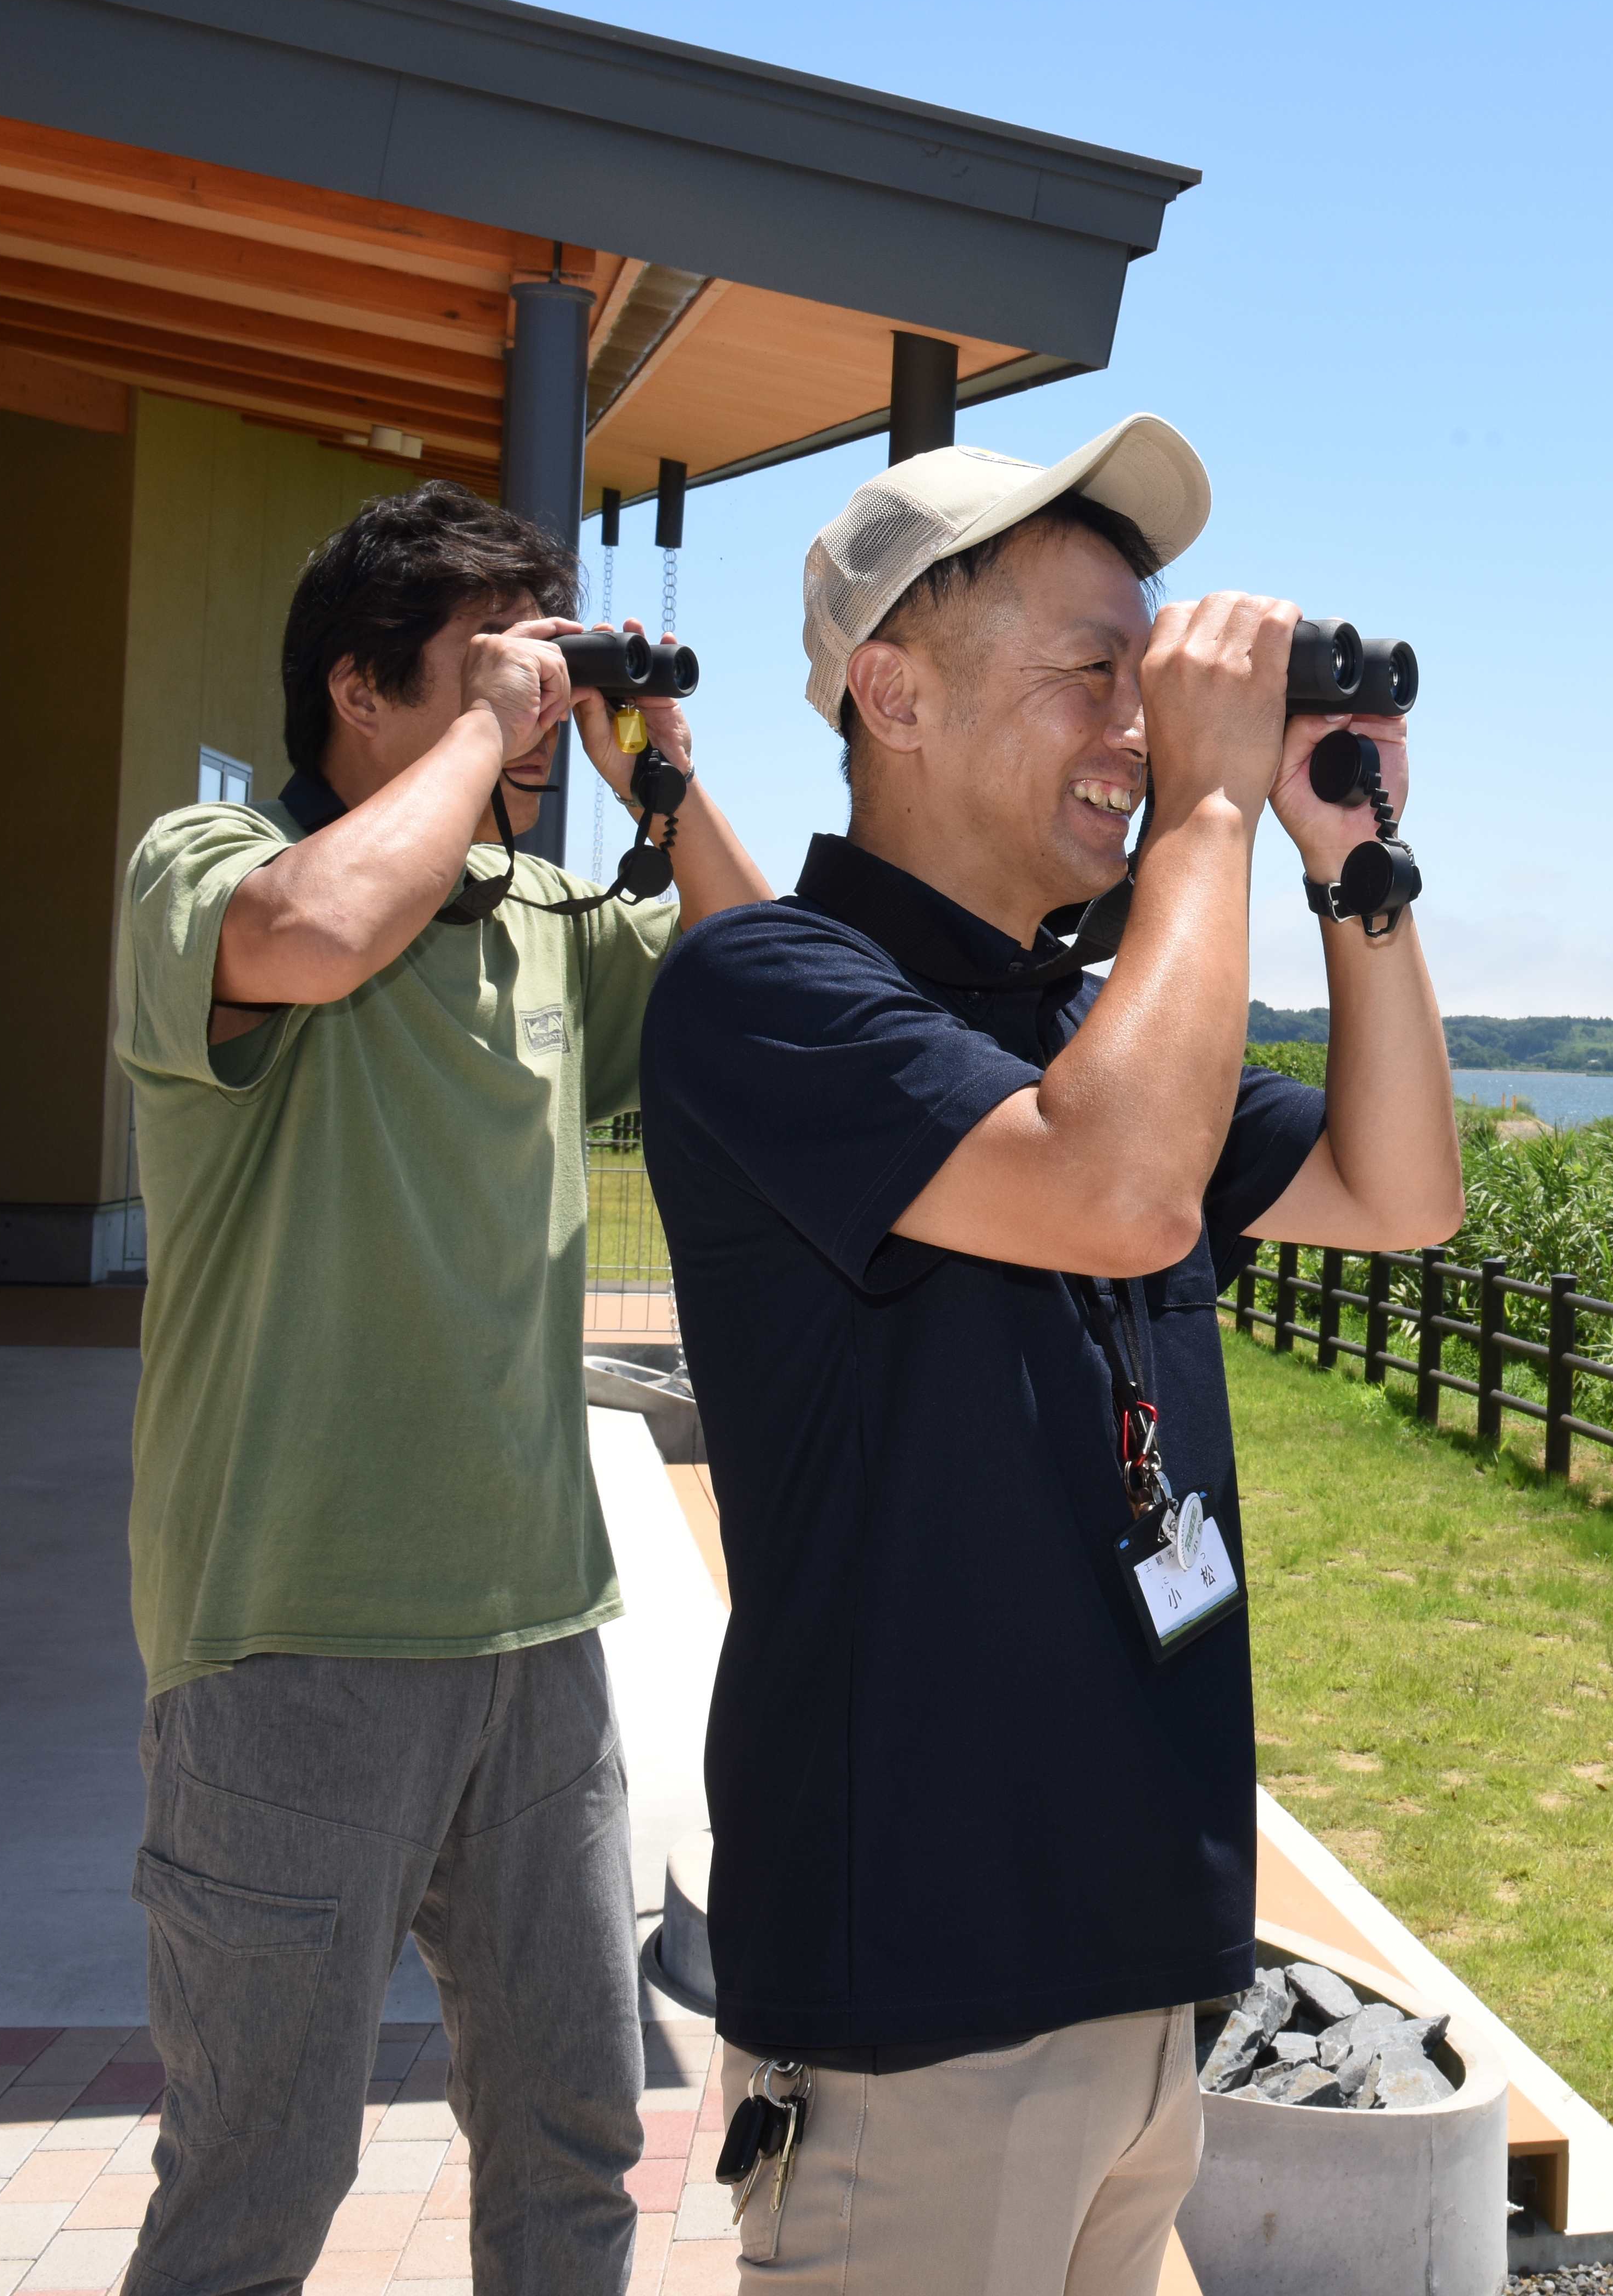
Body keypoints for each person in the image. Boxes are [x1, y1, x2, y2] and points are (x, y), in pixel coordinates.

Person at [638, 416, 1463, 2292]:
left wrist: (1353, 865)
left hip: (1140, 1982)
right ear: (893, 694)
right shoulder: (768, 990)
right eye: (1095, 672)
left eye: (1150, 676)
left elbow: (1399, 1187)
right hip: (920, 2015)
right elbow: (1107, 1194)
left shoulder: (1090, 1023)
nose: (1138, 726)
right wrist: (1208, 814)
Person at [111, 479, 774, 2296]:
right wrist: (494, 724)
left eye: (546, 669)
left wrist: (663, 770)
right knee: (256, 2185)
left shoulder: (549, 917)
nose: (533, 712)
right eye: (491, 670)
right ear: (357, 690)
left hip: (535, 1640)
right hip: (290, 1639)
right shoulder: (207, 863)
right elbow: (316, 937)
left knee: (574, 2149)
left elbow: (767, 988)